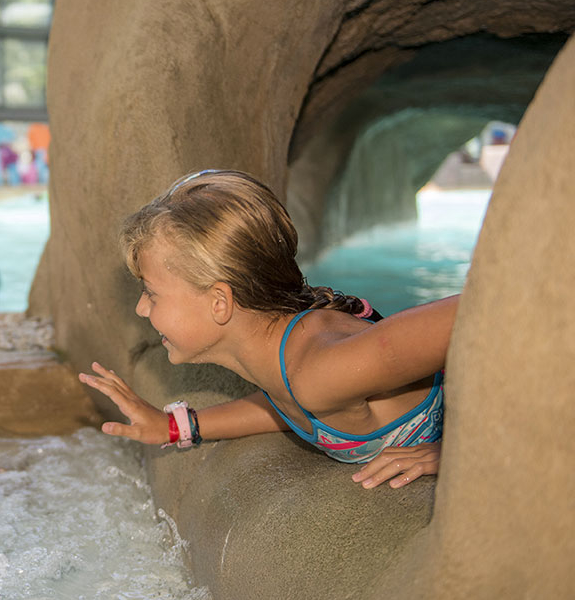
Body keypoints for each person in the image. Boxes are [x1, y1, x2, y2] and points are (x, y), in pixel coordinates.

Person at [78, 169, 455, 490]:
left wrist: (462, 449)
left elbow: (481, 308)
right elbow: (284, 404)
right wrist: (176, 427)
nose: (141, 308)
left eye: (151, 294)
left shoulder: (324, 371)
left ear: (219, 303)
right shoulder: (282, 360)